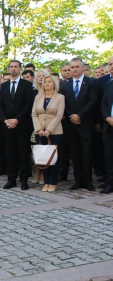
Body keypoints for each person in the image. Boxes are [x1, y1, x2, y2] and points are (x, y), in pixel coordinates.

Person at [59, 57, 98, 191]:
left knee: (86, 153)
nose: (74, 70)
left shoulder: (91, 82)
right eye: (72, 68)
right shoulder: (65, 85)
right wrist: (72, 116)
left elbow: (93, 101)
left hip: (85, 123)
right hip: (71, 124)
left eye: (77, 67)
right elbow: (64, 103)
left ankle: (88, 181)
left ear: (82, 68)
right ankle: (78, 180)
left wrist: (80, 115)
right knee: (74, 154)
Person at [0, 60, 34, 190]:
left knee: (23, 153)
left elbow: (28, 104)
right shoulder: (4, 86)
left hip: (22, 125)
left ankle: (24, 180)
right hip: (7, 126)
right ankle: (11, 179)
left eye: (15, 67)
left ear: (20, 69)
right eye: (11, 67)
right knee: (10, 153)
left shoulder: (26, 85)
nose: (13, 69)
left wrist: (17, 120)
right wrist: (5, 119)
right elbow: (0, 104)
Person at [32, 75, 65, 192]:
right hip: (40, 131)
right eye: (45, 81)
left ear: (54, 84)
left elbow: (59, 115)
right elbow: (34, 114)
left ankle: (53, 182)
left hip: (55, 131)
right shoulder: (38, 97)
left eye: (49, 81)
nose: (46, 83)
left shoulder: (60, 97)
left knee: (53, 158)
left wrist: (49, 130)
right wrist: (39, 129)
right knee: (43, 157)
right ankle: (45, 181)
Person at [100, 80, 113, 194]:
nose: (112, 67)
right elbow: (103, 104)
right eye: (110, 65)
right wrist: (108, 118)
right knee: (109, 157)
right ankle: (110, 183)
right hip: (109, 126)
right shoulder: (109, 84)